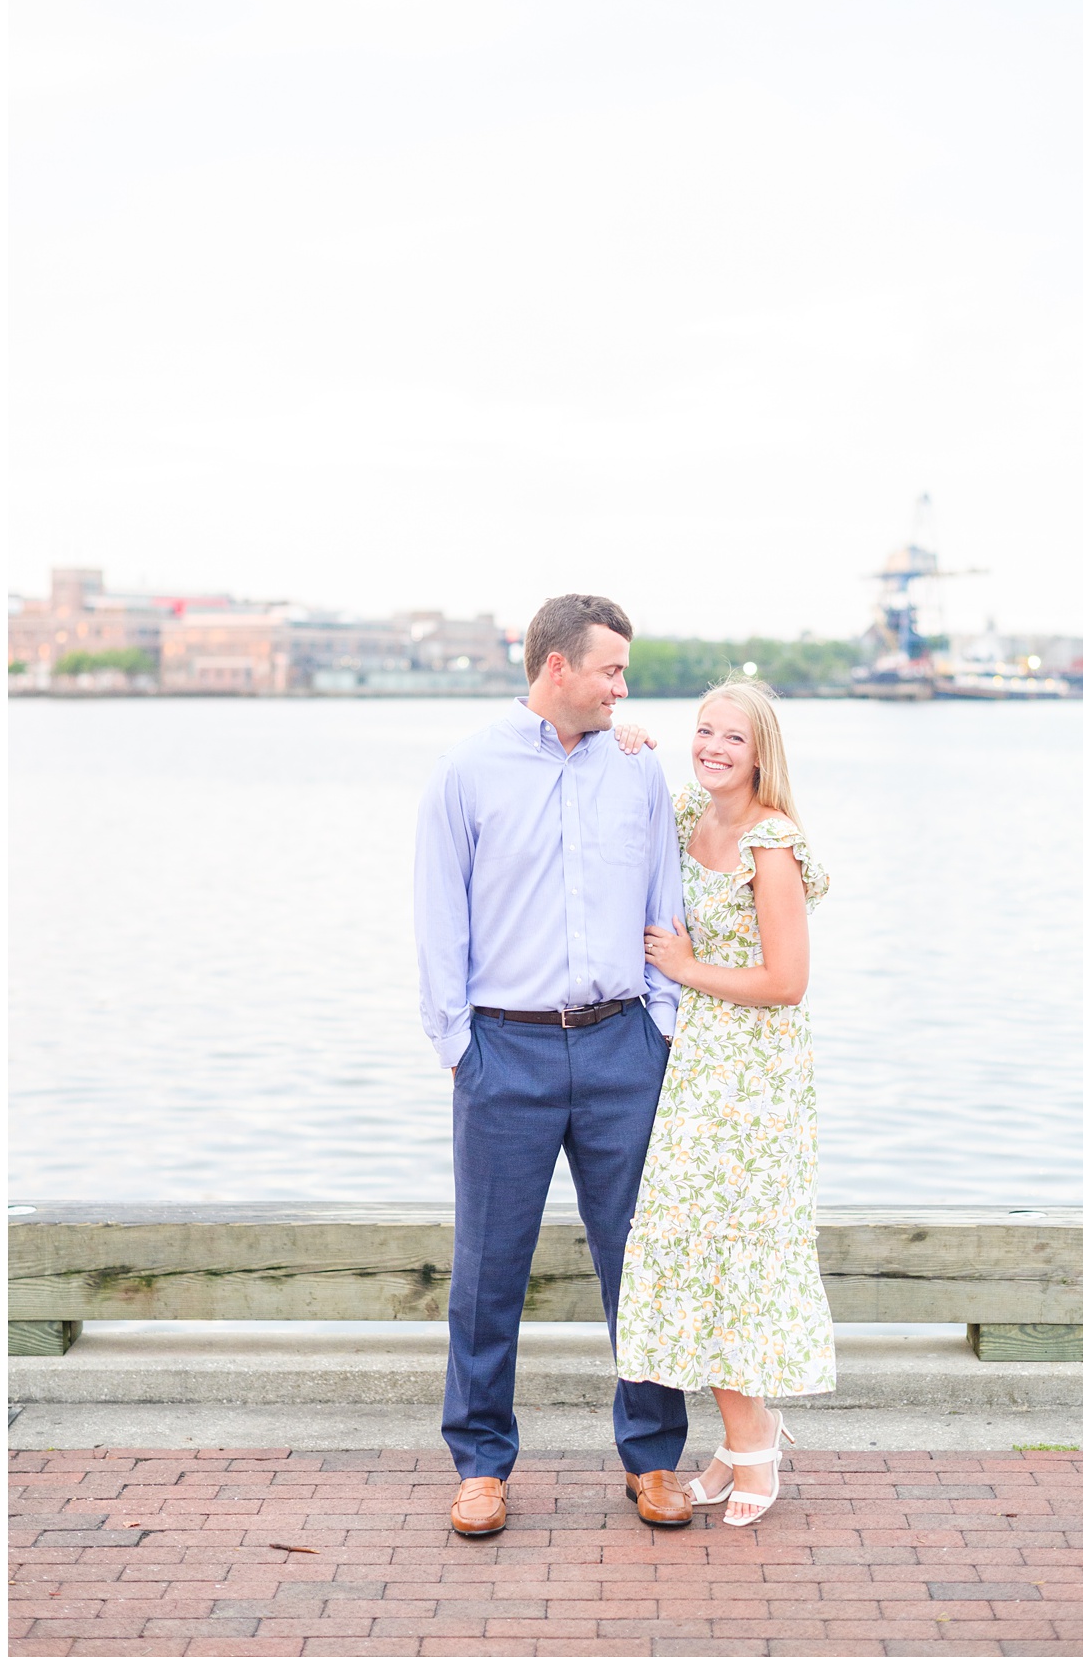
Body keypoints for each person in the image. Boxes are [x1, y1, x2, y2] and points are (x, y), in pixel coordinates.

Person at [413, 592, 690, 1538]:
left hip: (623, 1046)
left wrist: (660, 1024)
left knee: (641, 1266)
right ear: (556, 668)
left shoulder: (637, 770)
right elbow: (438, 913)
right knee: (488, 1271)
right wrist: (458, 1044)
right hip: (505, 1050)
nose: (624, 685)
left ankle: (654, 1459)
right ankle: (481, 1465)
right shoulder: (467, 771)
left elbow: (667, 900)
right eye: (610, 669)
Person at [613, 678, 834, 1529]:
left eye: (731, 739)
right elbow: (617, 806)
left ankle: (755, 1450)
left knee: (733, 1256)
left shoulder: (768, 843)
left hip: (756, 1081)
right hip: (697, 1071)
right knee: (685, 1250)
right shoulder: (684, 816)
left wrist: (684, 968)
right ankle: (741, 1434)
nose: (711, 748)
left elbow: (787, 982)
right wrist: (624, 740)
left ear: (759, 752)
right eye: (702, 732)